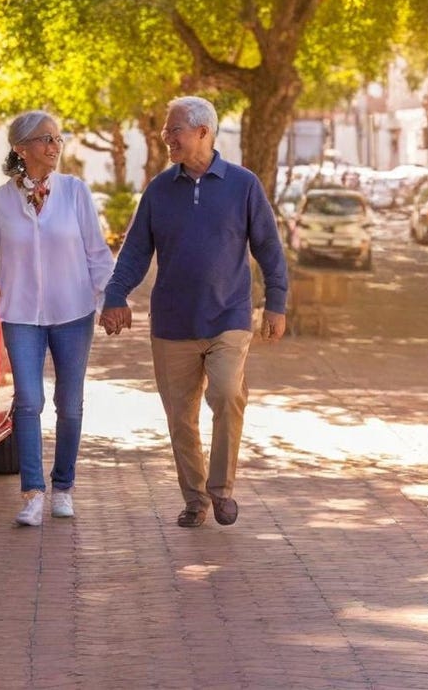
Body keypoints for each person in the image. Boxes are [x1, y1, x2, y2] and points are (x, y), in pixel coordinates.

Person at [99, 95, 288, 528]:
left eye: (174, 130)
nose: (167, 138)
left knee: (225, 392)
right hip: (172, 322)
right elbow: (134, 253)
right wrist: (115, 295)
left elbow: (269, 251)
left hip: (229, 317)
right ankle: (195, 498)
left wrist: (275, 303)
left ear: (203, 132)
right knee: (180, 417)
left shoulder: (243, 185)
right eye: (166, 131)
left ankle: (221, 491)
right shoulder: (159, 191)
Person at [0, 110, 115, 526]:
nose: (54, 147)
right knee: (28, 402)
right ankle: (32, 493)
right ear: (21, 148)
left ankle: (63, 487)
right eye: (46, 140)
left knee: (70, 404)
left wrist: (111, 299)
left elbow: (98, 255)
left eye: (58, 139)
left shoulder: (76, 193)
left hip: (73, 312)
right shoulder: (0, 202)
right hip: (21, 314)